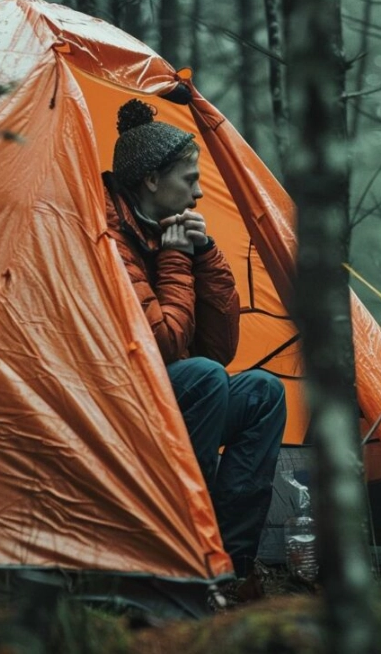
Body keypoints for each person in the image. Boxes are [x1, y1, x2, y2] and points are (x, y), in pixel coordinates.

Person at [102, 98, 286, 579]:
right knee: (204, 378)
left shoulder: (163, 232)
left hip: (174, 395)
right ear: (151, 180)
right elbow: (160, 345)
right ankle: (188, 550)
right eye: (191, 179)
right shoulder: (109, 236)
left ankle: (234, 560)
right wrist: (176, 260)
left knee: (263, 391)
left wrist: (203, 255)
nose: (200, 194)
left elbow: (219, 349)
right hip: (117, 405)